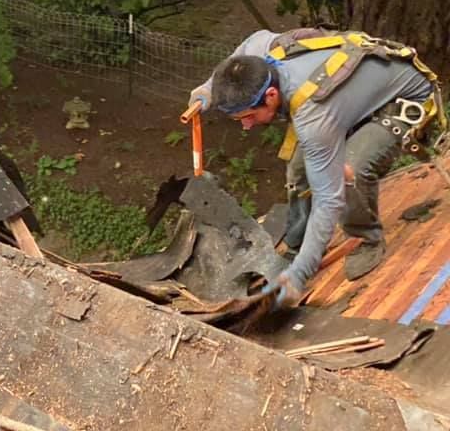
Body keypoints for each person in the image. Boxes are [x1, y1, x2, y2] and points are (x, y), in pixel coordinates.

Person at [189, 28, 445, 308]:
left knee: (348, 173)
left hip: (401, 101)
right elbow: (245, 48)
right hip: (349, 101)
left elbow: (328, 199)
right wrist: (206, 90)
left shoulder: (315, 119)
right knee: (297, 172)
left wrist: (299, 276)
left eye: (249, 116)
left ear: (271, 95)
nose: (246, 125)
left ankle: (366, 238)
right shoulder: (261, 57)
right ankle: (297, 244)